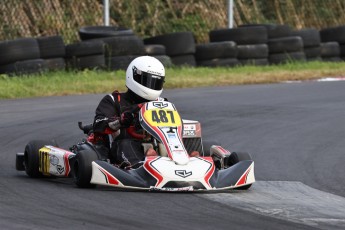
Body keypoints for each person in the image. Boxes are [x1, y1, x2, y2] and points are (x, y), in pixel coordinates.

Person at [92, 56, 166, 168]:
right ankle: (142, 167)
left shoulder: (161, 103)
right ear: (134, 76)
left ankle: (187, 159)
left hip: (158, 145)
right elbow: (99, 125)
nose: (151, 86)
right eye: (147, 81)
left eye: (156, 82)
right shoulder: (113, 100)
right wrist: (120, 121)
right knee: (126, 144)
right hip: (123, 146)